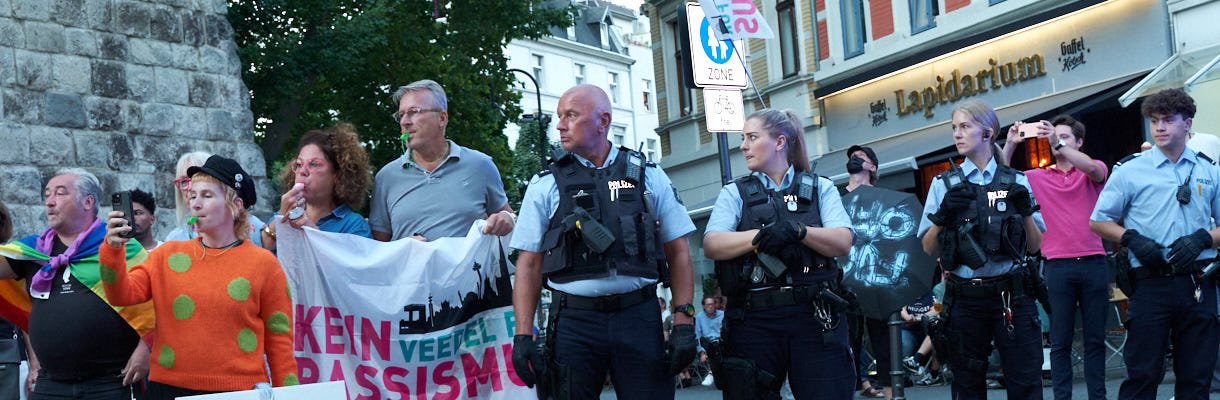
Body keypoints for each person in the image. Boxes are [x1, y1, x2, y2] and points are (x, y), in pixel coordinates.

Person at [509, 85, 697, 399]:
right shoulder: (545, 184)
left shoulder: (649, 175)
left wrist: (683, 322)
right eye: (559, 117)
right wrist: (522, 335)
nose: (560, 125)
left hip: (639, 318)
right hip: (573, 323)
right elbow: (528, 264)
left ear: (603, 120)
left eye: (571, 115)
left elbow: (679, 253)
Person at [101, 155, 297, 399]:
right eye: (192, 195)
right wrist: (112, 249)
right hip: (167, 390)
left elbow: (280, 345)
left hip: (237, 393)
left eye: (206, 195)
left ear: (235, 204)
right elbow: (120, 295)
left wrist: (289, 395)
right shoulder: (166, 255)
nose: (194, 203)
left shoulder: (265, 264)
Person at [702, 108, 856, 399]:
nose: (743, 146)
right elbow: (712, 244)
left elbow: (843, 241)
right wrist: (761, 237)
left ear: (780, 142)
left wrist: (800, 231)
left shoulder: (819, 187)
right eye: (743, 138)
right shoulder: (735, 193)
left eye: (752, 137)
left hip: (814, 314)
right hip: (754, 317)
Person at [1090, 88, 1220, 400]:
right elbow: (1098, 221)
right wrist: (1131, 238)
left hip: (1198, 283)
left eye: (1168, 121)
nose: (1159, 128)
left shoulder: (1208, 169)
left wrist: (1204, 237)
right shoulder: (1130, 169)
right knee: (1142, 375)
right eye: (1154, 121)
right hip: (1150, 284)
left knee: (1197, 377)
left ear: (1187, 124)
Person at [918, 100, 1046, 400]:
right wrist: (942, 217)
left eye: (965, 127)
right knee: (966, 385)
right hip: (965, 296)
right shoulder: (943, 184)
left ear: (987, 133)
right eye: (954, 128)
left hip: (1012, 294)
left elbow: (1036, 246)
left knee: (1026, 382)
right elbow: (927, 248)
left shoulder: (1016, 180)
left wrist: (1025, 211)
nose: (957, 134)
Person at [0, 169, 154, 400]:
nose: (50, 202)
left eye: (60, 194)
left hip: (110, 383)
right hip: (49, 384)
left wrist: (145, 351)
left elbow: (157, 302)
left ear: (87, 201)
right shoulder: (33, 250)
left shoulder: (122, 247)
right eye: (47, 195)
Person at [1000, 114, 1109, 400]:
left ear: (1079, 142)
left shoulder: (1092, 169)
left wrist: (1057, 143)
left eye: (1065, 137)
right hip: (1057, 266)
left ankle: (1098, 396)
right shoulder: (1038, 176)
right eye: (1053, 137)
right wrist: (1010, 144)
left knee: (1095, 340)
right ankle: (1063, 397)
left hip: (1095, 261)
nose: (1056, 141)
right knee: (1060, 341)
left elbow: (1096, 172)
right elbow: (1001, 176)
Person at [370, 79, 514, 242]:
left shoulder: (480, 165)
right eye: (401, 115)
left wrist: (506, 217)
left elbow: (509, 216)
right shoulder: (386, 177)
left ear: (442, 118)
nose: (405, 122)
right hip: (410, 269)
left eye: (414, 111)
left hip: (468, 268)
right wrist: (403, 248)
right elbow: (378, 249)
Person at [261, 124, 373, 250]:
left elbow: (350, 267)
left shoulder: (353, 225)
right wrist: (281, 216)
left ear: (338, 175)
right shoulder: (284, 213)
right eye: (298, 164)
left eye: (313, 164)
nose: (302, 171)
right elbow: (262, 249)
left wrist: (311, 229)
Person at [844, 144, 898, 399]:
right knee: (848, 341)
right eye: (852, 158)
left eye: (860, 158)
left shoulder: (884, 197)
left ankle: (890, 393)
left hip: (877, 278)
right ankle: (856, 387)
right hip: (847, 279)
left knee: (883, 341)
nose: (854, 160)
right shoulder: (835, 198)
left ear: (872, 167)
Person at [164, 152, 266, 247]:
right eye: (183, 181)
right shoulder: (174, 240)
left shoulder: (252, 227)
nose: (191, 187)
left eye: (200, 178)